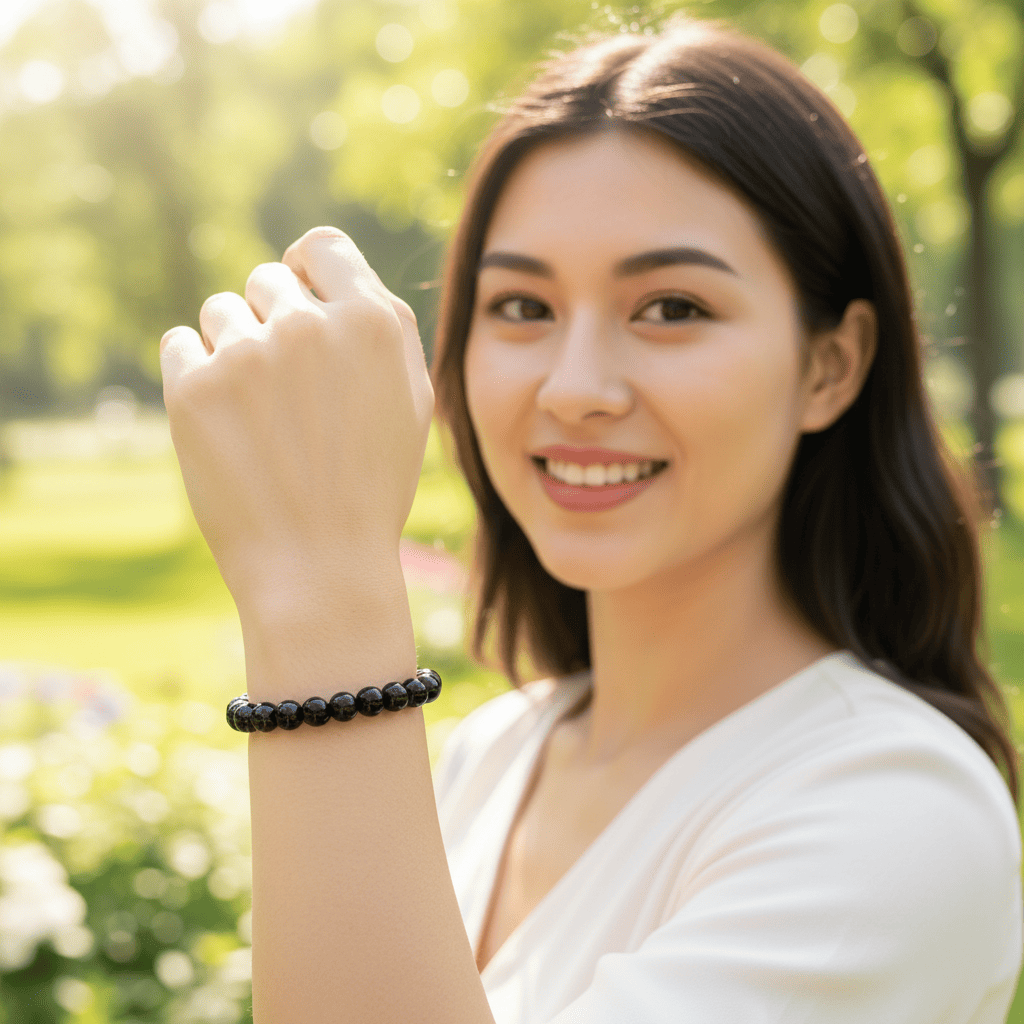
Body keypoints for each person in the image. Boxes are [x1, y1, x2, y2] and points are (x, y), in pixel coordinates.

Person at [159, 16, 1022, 1024]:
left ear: (830, 365)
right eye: (522, 308)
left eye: (672, 307)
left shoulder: (892, 815)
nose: (574, 389)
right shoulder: (498, 750)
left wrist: (322, 590)